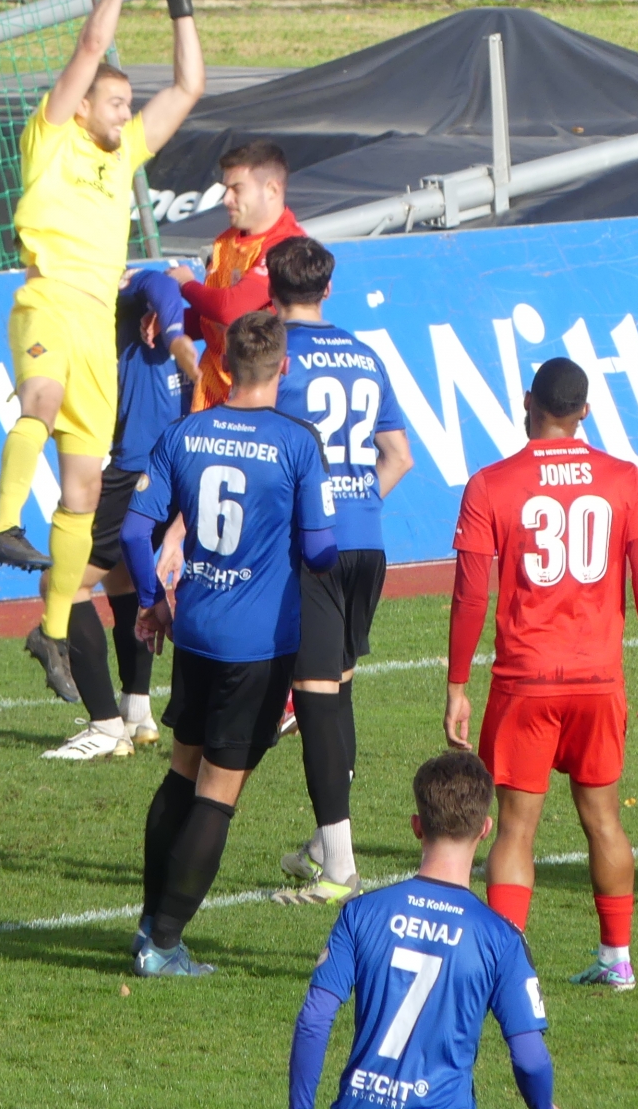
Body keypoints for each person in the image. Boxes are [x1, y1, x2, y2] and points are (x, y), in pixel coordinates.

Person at [0, 0, 206, 707]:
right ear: (78, 108)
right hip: (47, 300)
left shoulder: (123, 154)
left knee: (82, 491)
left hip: (96, 325)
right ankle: (5, 524)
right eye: (113, 100)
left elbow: (188, 89)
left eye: (126, 102)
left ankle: (50, 630)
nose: (123, 110)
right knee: (38, 404)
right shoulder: (52, 139)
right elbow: (88, 48)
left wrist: (180, 1)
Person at [445, 357, 638, 991]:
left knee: (516, 828)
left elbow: (471, 595)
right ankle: (617, 958)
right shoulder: (625, 480)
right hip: (599, 680)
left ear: (529, 402)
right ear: (585, 411)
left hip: (526, 680)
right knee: (603, 819)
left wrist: (457, 685)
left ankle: (506, 971)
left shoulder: (491, 484)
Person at [120, 312, 336, 975]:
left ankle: (148, 924)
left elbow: (133, 532)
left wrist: (155, 601)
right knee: (218, 792)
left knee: (181, 772)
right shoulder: (297, 441)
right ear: (284, 368)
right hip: (258, 643)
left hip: (198, 630)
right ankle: (164, 943)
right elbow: (321, 549)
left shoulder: (185, 433)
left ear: (223, 366)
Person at [266, 236, 414, 906]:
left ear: (271, 289)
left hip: (314, 546)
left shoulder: (275, 355)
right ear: (328, 289)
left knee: (316, 700)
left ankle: (340, 870)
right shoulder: (363, 353)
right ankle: (327, 848)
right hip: (366, 541)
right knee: (338, 692)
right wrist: (358, 501)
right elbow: (399, 454)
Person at [288, 751, 556, 1109]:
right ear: (485, 829)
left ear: (417, 826)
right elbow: (530, 1058)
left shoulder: (361, 913)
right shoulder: (500, 938)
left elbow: (314, 1018)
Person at [42, 268, 197, 759]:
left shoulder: (127, 299)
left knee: (62, 585)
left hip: (138, 469)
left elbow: (160, 282)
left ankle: (105, 726)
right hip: (170, 467)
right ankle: (136, 710)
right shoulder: (117, 317)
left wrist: (174, 335)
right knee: (122, 580)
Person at [168, 140, 303, 410]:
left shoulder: (287, 245)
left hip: (257, 400)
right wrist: (168, 321)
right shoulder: (226, 241)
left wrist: (185, 283)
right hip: (212, 393)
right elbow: (211, 318)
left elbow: (231, 309)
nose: (226, 199)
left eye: (237, 189)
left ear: (272, 189)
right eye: (226, 189)